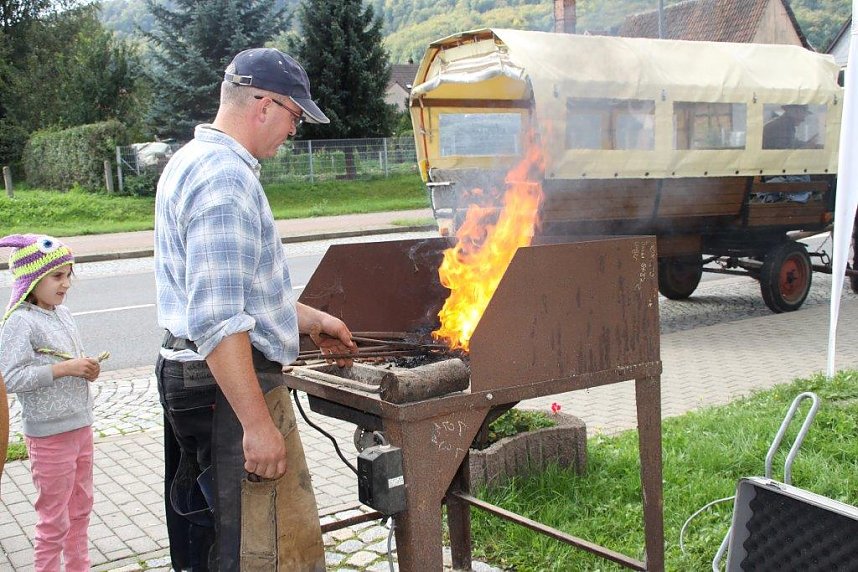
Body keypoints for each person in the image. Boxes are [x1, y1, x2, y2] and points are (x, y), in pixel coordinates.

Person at [154, 47, 356, 571]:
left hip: (197, 380)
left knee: (210, 534)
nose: (294, 131)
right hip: (224, 390)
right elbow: (219, 319)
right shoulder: (225, 179)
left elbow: (236, 289)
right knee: (252, 550)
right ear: (263, 104)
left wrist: (313, 320)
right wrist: (258, 425)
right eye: (294, 116)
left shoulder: (192, 160)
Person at [0, 234, 101, 572]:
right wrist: (65, 368)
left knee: (81, 509)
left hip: (80, 425)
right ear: (31, 279)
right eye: (57, 276)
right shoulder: (19, 322)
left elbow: (69, 361)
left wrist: (85, 368)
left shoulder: (63, 314)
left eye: (69, 275)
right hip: (49, 437)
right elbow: (12, 378)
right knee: (53, 520)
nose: (66, 283)